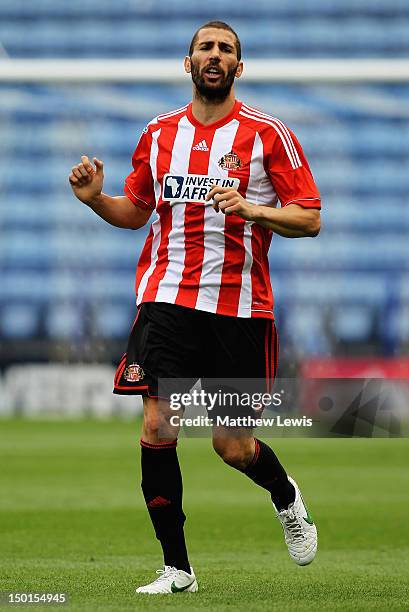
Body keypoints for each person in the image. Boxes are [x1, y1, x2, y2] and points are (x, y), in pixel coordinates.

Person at [69, 20, 321, 595]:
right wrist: (95, 201)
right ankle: (177, 568)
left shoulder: (267, 135)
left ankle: (285, 497)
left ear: (239, 67)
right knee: (159, 423)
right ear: (188, 64)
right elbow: (135, 211)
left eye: (225, 49)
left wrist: (255, 211)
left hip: (240, 309)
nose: (214, 55)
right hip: (166, 300)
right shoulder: (158, 134)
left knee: (232, 446)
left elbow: (309, 216)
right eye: (205, 47)